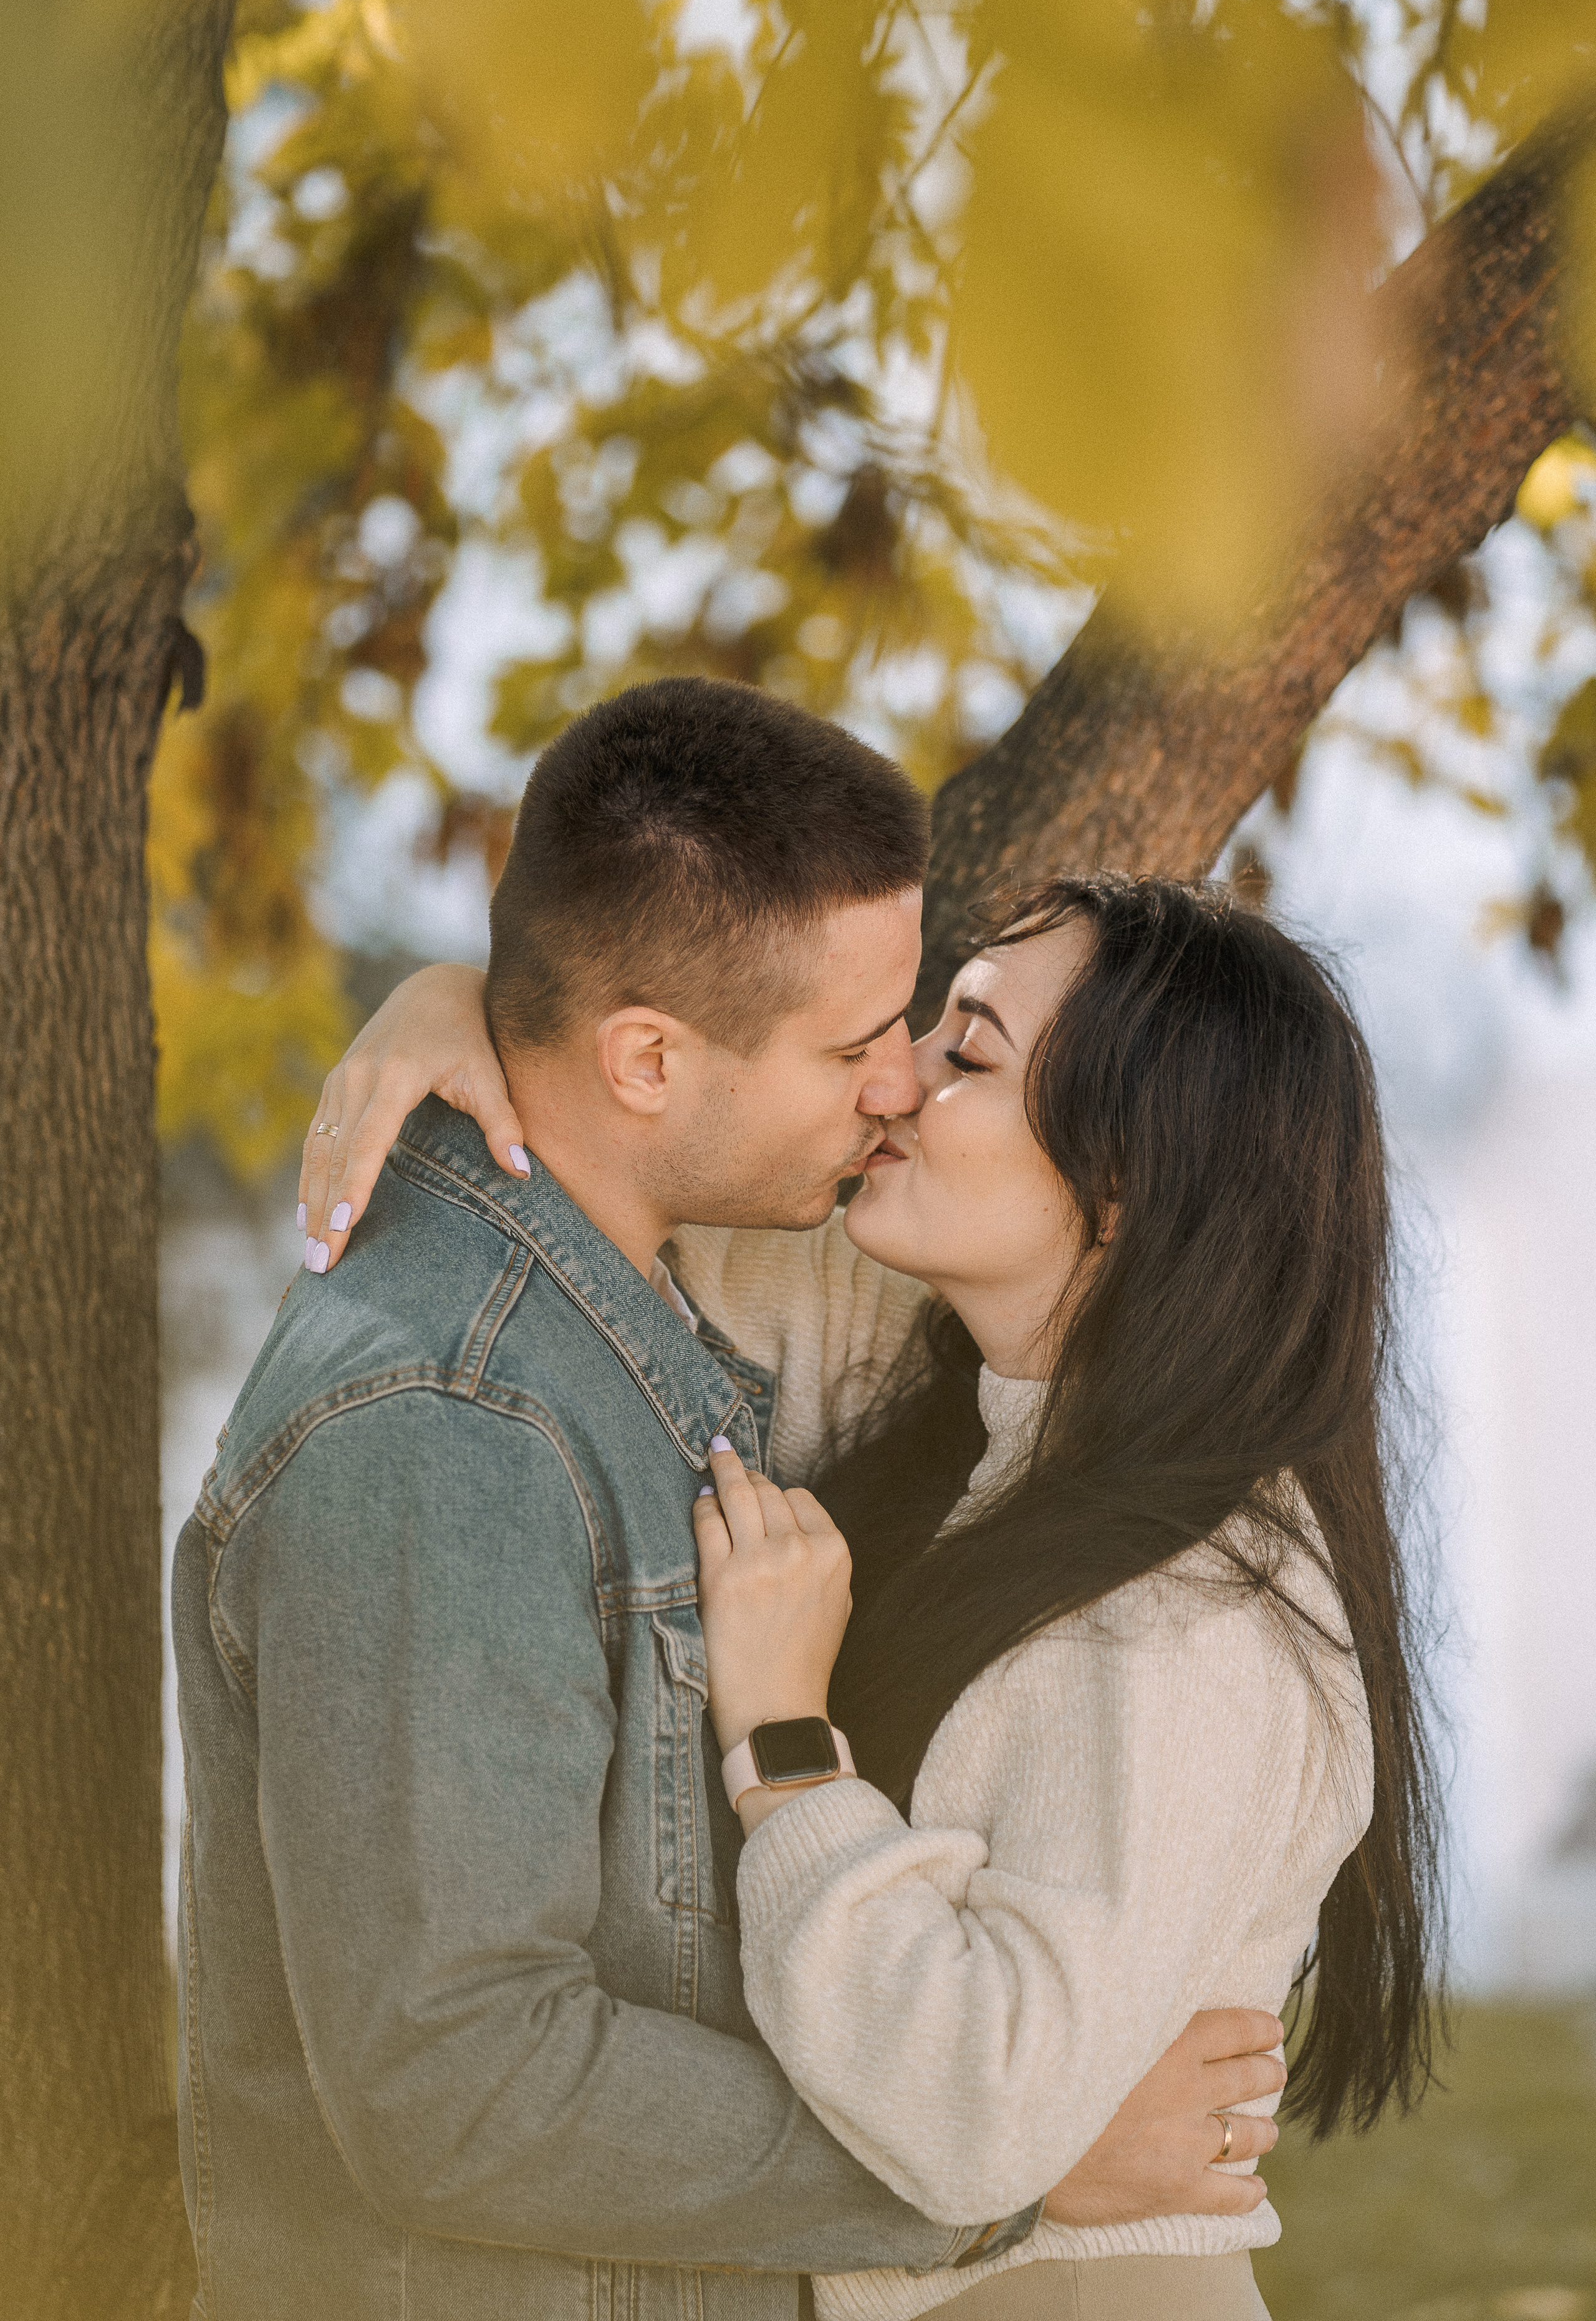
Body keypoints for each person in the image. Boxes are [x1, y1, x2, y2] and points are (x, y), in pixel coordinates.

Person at [175, 680, 1286, 2321]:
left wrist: (464, 1000)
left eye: (921, 1030)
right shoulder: (445, 1431)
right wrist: (991, 2180)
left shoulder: (664, 1306)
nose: (898, 1085)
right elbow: (460, 2087)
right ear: (644, 1060)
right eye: (857, 1045)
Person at [309, 871, 1442, 2321]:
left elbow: (973, 2116)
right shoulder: (963, 1386)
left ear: (1124, 1183)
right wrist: (447, 1011)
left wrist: (782, 1745)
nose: (894, 1078)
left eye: (965, 1054)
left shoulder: (1204, 1612)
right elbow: (617, 1164)